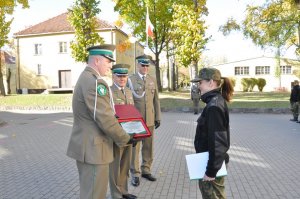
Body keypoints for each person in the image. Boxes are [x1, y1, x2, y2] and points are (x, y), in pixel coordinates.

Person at [66, 44, 136, 199]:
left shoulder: (86, 77)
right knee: (95, 194)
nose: (110, 66)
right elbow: (105, 119)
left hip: (87, 147)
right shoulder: (96, 82)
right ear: (97, 60)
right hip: (94, 150)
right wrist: (126, 138)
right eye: (108, 61)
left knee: (89, 192)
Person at [192, 68, 234, 199]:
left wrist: (210, 172)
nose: (199, 86)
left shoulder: (214, 106)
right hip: (210, 162)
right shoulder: (213, 101)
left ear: (211, 83)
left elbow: (218, 143)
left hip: (211, 165)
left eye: (200, 82)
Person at [127, 54, 161, 186]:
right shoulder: (131, 80)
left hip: (150, 119)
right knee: (135, 148)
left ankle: (146, 169)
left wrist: (158, 117)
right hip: (136, 121)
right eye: (143, 65)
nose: (145, 67)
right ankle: (135, 173)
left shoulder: (152, 80)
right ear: (137, 65)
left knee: (149, 146)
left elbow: (156, 100)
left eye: (147, 65)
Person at [109, 64, 137, 199]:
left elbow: (133, 115)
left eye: (124, 76)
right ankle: (116, 194)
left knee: (125, 164)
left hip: (129, 135)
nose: (122, 79)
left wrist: (136, 134)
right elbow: (108, 116)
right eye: (119, 76)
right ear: (113, 76)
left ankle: (124, 191)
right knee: (115, 167)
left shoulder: (129, 92)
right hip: (117, 136)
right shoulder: (109, 92)